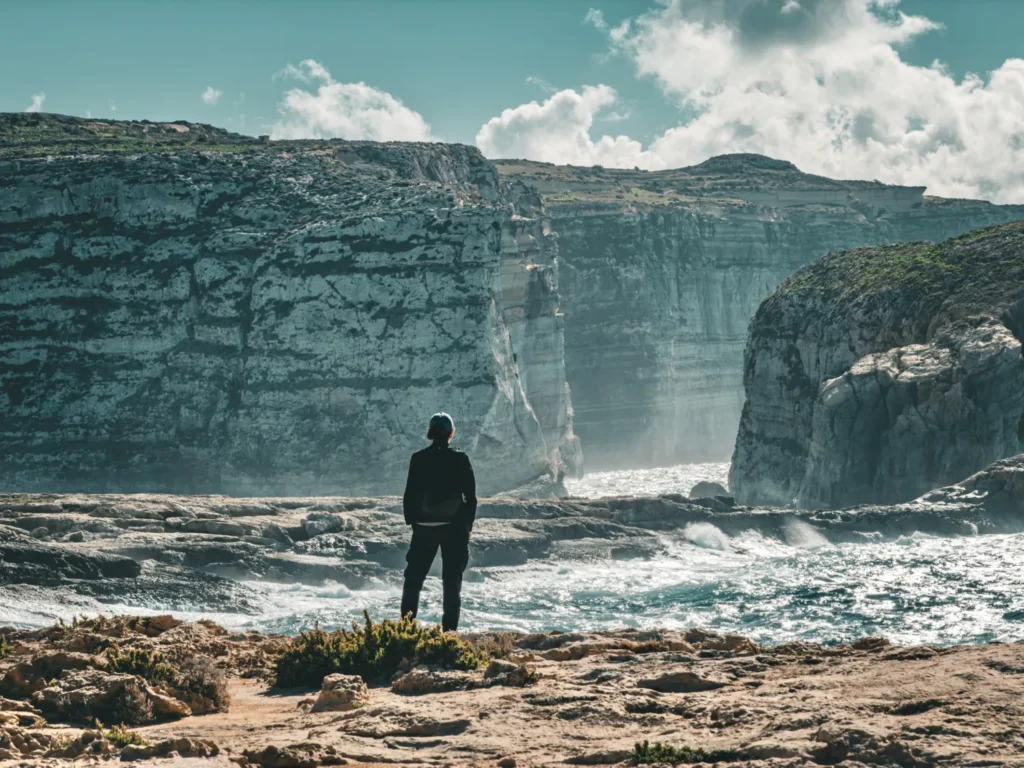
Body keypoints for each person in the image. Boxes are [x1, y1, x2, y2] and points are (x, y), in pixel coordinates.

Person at [400, 412, 477, 631]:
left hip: (424, 528)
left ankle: (405, 630)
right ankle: (449, 634)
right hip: (454, 529)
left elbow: (410, 493)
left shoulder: (418, 457)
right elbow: (470, 496)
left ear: (430, 433)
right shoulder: (460, 458)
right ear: (451, 434)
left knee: (413, 579)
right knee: (452, 582)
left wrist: (414, 523)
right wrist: (467, 527)